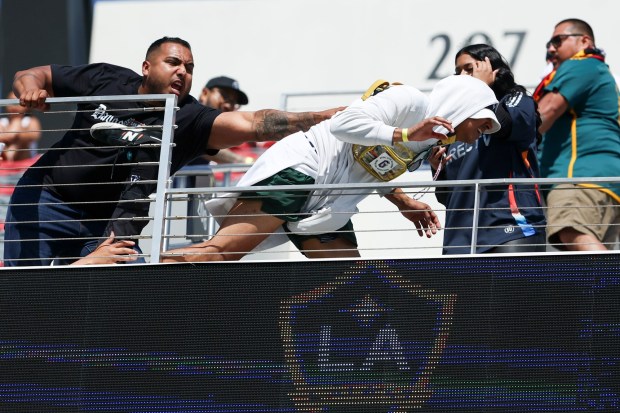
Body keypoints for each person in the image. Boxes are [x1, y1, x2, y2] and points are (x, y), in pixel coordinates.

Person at [4, 36, 341, 266]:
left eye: (190, 67)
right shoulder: (107, 79)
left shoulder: (191, 117)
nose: (182, 71)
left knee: (113, 291)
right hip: (48, 200)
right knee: (21, 289)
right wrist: (31, 89)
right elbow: (32, 74)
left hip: (109, 225)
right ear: (147, 67)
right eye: (173, 62)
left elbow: (255, 123)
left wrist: (316, 118)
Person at [161, 75, 501, 263]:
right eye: (484, 122)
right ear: (463, 107)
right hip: (299, 171)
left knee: (348, 282)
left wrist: (403, 202)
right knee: (220, 254)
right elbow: (344, 124)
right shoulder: (410, 100)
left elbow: (371, 163)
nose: (482, 132)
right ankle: (137, 280)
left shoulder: (429, 142)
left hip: (329, 202)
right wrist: (407, 133)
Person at [429, 44, 547, 254]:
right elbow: (448, 196)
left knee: (514, 288)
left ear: (492, 69)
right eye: (458, 72)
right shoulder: (455, 124)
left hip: (510, 228)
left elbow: (507, 125)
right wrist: (437, 169)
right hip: (460, 240)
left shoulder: (515, 99)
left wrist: (480, 90)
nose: (463, 76)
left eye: (469, 68)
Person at [534, 18, 620, 251]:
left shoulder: (582, 65)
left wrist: (503, 138)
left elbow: (545, 112)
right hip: (602, 182)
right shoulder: (599, 71)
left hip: (578, 177)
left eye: (557, 41)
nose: (551, 48)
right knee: (593, 269)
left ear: (584, 41)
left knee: (571, 232)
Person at [0, 92, 42, 265]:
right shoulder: (2, 122)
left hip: (22, 171)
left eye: (18, 102)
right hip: (3, 174)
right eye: (11, 102)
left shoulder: (30, 122)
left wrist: (16, 122)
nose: (14, 106)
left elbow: (22, 137)